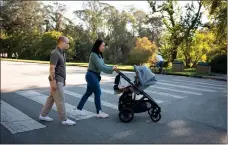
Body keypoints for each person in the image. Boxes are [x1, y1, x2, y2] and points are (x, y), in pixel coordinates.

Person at [75, 39, 117, 118]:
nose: (104, 47)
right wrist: (111, 69)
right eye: (103, 46)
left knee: (88, 93)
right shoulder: (93, 54)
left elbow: (104, 65)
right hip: (91, 75)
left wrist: (112, 67)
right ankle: (99, 111)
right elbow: (100, 67)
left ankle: (78, 109)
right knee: (98, 92)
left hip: (94, 76)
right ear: (98, 46)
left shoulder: (100, 55)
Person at [39, 36, 76, 125]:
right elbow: (52, 68)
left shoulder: (62, 53)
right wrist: (53, 82)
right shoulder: (55, 53)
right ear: (61, 42)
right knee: (60, 99)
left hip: (60, 79)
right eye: (67, 43)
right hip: (56, 80)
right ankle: (64, 119)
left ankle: (43, 115)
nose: (68, 45)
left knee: (52, 98)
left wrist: (64, 80)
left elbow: (61, 68)